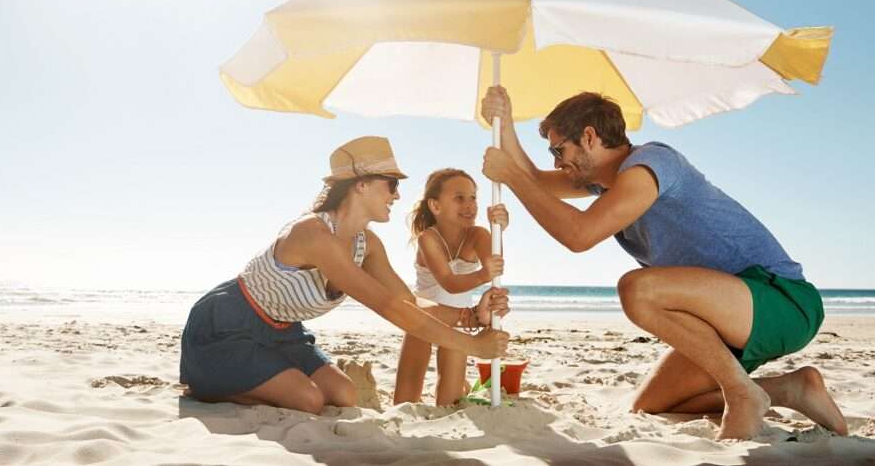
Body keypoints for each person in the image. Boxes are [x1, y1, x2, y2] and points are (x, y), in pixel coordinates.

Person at [480, 86, 846, 440]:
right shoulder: (607, 184)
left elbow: (579, 234)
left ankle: (741, 392)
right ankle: (790, 389)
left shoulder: (650, 165)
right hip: (726, 320)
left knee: (638, 289)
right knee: (652, 406)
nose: (557, 163)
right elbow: (539, 186)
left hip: (781, 301)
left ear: (589, 137)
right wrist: (506, 125)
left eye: (560, 150)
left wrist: (510, 176)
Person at [180, 136, 510, 414]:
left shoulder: (369, 245)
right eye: (392, 184)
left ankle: (267, 375)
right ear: (361, 185)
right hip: (228, 324)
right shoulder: (314, 235)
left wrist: (471, 316)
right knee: (308, 399)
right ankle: (209, 382)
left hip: (284, 332)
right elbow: (392, 310)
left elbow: (407, 302)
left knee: (344, 395)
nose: (397, 195)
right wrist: (473, 346)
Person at [393, 168, 508, 406]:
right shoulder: (428, 239)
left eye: (473, 197)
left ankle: (461, 386)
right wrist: (484, 274)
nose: (470, 205)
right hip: (424, 318)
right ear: (435, 206)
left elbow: (494, 264)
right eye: (459, 198)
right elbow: (449, 283)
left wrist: (499, 231)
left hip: (459, 321)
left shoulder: (479, 235)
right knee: (405, 400)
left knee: (448, 401)